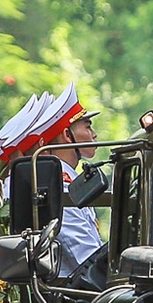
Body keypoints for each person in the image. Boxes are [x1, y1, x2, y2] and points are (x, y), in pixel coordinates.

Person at [46, 108, 106, 281]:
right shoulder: (61, 183)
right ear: (67, 134)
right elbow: (84, 254)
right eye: (87, 127)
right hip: (73, 293)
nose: (94, 135)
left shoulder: (69, 179)